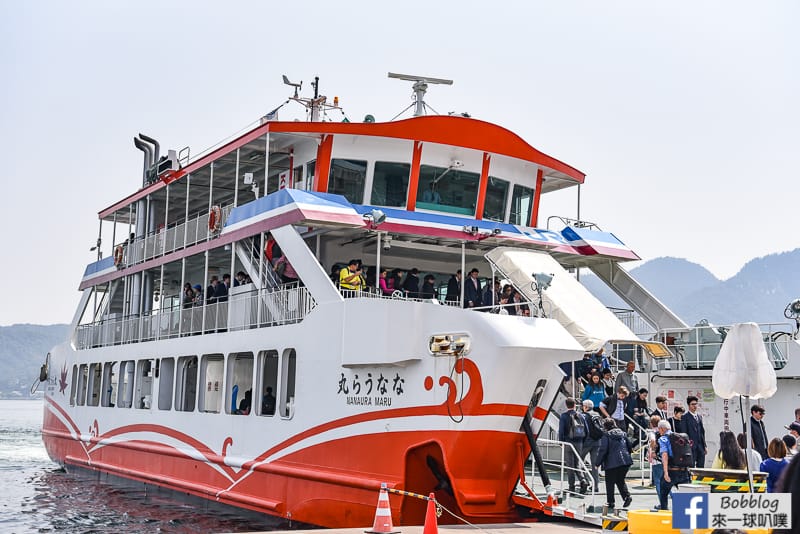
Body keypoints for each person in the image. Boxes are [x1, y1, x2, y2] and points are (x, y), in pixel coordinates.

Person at [596, 417, 633, 512]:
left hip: (612, 462)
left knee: (610, 482)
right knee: (620, 480)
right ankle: (627, 497)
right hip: (626, 461)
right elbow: (629, 447)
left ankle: (611, 502)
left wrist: (597, 463)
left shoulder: (606, 435)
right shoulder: (623, 434)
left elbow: (603, 450)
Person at [558, 397, 590, 494]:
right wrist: (582, 441)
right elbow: (587, 431)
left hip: (568, 442)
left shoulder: (564, 416)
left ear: (566, 405)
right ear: (575, 405)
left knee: (570, 465)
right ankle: (583, 480)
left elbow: (561, 431)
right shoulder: (581, 416)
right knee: (577, 464)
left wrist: (561, 442)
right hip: (579, 442)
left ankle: (571, 487)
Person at [657, 419, 690, 511]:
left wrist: (666, 472)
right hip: (684, 471)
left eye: (659, 429)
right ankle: (685, 515)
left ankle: (664, 513)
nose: (658, 431)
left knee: (663, 493)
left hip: (672, 471)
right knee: (686, 495)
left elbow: (664, 455)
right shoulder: (681, 438)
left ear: (663, 429)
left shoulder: (663, 439)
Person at [582, 400, 603, 492]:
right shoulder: (597, 414)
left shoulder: (584, 416)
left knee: (579, 461)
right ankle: (596, 486)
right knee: (595, 465)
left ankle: (584, 481)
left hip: (587, 442)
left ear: (586, 407)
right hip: (597, 441)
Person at [685, 395, 707, 467]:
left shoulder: (699, 417)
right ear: (688, 405)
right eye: (692, 404)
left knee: (701, 466)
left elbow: (702, 432)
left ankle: (700, 478)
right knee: (691, 466)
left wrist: (705, 446)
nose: (695, 406)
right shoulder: (685, 417)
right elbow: (684, 433)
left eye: (696, 404)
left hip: (700, 446)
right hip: (691, 446)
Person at [647, 415, 663, 499]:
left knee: (658, 481)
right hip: (664, 458)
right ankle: (672, 498)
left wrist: (653, 451)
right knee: (665, 481)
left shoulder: (652, 432)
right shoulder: (663, 431)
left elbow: (653, 440)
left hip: (656, 459)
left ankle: (662, 502)